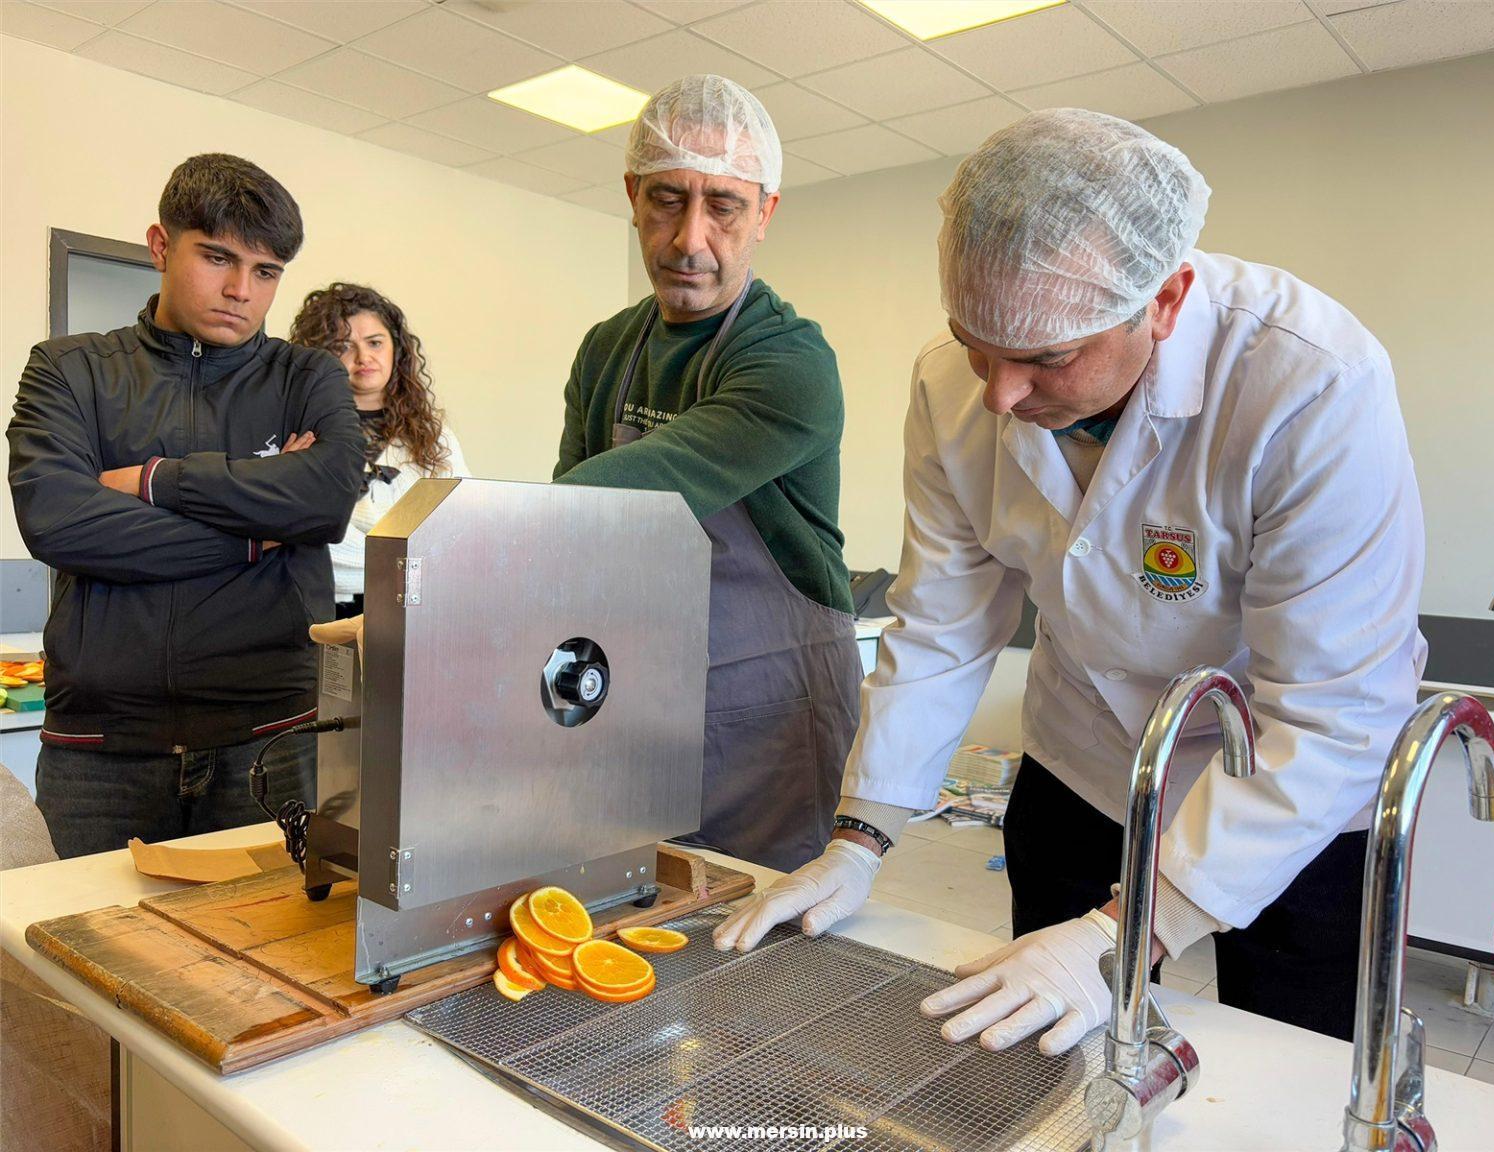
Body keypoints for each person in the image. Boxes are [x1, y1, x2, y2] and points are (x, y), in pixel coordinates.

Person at [716, 110, 1427, 1053]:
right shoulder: (950, 387)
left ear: (1165, 301)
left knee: (1287, 1059)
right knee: (1053, 1044)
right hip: (1085, 757)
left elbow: (1334, 709)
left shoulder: (1310, 386)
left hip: (1288, 783)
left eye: (1046, 358)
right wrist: (861, 837)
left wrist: (1119, 933)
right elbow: (942, 624)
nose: (1001, 395)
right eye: (977, 342)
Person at [6, 153, 364, 859]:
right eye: (217, 258)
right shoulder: (67, 368)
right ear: (161, 246)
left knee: (269, 960)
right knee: (80, 961)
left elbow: (325, 502)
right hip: (101, 750)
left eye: (266, 272)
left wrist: (154, 480)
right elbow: (58, 519)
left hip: (271, 737)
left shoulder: (307, 376)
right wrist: (258, 536)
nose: (241, 290)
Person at [551, 74, 862, 873]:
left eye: (723, 205)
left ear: (765, 213)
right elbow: (575, 528)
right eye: (667, 199)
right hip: (643, 693)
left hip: (771, 709)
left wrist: (451, 551)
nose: (691, 238)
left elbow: (634, 491)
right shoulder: (606, 347)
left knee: (760, 946)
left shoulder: (791, 361)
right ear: (630, 196)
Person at [290, 283, 469, 618]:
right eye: (343, 347)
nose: (364, 358)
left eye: (375, 343)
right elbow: (301, 541)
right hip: (321, 612)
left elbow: (460, 530)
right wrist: (405, 565)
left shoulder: (435, 437)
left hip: (417, 614)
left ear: (396, 348)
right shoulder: (298, 432)